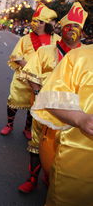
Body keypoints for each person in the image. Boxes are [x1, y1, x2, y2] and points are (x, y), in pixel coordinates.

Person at [17, 2, 86, 193]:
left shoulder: (86, 57)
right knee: (37, 144)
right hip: (45, 108)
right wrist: (40, 95)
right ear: (60, 28)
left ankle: (52, 177)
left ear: (82, 32)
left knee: (65, 149)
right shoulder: (45, 51)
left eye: (76, 27)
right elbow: (30, 73)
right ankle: (32, 179)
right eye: (68, 26)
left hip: (74, 114)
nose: (72, 30)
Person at [30, 39, 92, 205]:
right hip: (75, 163)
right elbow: (48, 98)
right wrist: (80, 119)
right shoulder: (79, 57)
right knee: (36, 142)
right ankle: (33, 178)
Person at [0, 2, 60, 139]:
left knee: (34, 104)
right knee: (13, 101)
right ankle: (9, 124)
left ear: (46, 24)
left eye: (39, 22)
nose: (35, 24)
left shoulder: (56, 40)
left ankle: (27, 128)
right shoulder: (25, 39)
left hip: (43, 81)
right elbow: (16, 56)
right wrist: (31, 69)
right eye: (34, 21)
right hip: (23, 78)